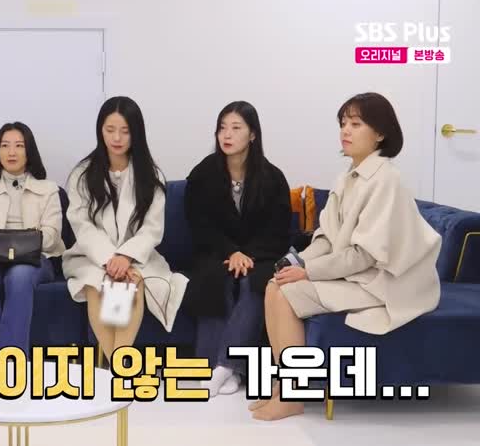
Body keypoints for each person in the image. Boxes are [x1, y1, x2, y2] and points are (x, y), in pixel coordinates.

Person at [253, 92, 442, 420]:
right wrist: (297, 263)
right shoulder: (346, 178)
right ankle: (284, 387)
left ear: (379, 133)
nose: (346, 130)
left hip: (385, 282)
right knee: (275, 285)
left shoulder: (386, 180)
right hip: (356, 274)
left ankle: (292, 394)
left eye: (356, 124)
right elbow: (327, 237)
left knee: (285, 295)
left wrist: (308, 273)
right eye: (343, 123)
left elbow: (364, 256)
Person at [62, 96, 189, 363]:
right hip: (91, 257)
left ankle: (114, 368)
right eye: (110, 130)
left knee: (131, 283)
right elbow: (81, 225)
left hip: (136, 258)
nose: (117, 138)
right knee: (97, 283)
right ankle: (119, 368)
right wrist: (110, 258)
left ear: (136, 133)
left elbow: (152, 229)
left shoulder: (151, 175)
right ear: (100, 130)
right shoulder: (82, 174)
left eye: (125, 131)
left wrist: (125, 256)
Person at [185, 101, 291, 396]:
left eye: (235, 128)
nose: (227, 135)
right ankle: (217, 367)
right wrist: (231, 251)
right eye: (222, 128)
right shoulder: (203, 173)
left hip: (261, 255)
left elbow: (279, 230)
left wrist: (248, 255)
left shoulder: (272, 177)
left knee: (255, 282)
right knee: (213, 279)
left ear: (252, 134)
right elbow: (199, 224)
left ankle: (224, 366)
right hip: (216, 252)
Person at [0, 122, 65, 354]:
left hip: (37, 259)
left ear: (29, 151)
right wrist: (9, 244)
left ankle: (12, 360)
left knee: (19, 275)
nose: (12, 152)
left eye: (19, 146)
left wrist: (16, 245)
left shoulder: (49, 189)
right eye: (5, 145)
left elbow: (52, 236)